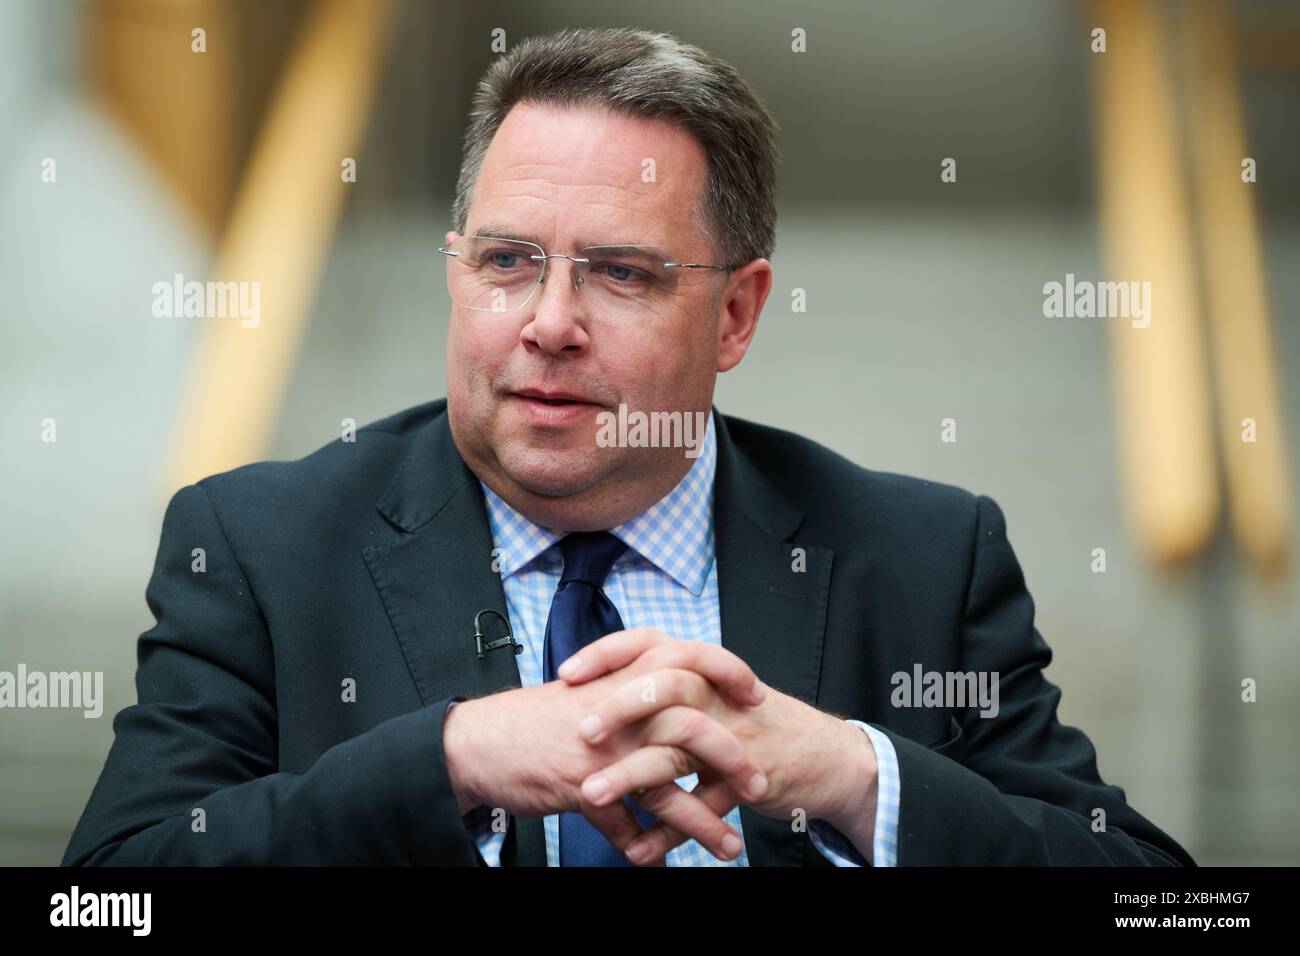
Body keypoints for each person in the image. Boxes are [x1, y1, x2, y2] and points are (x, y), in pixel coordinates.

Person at [63, 26, 1194, 867]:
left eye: (620, 272)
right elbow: (105, 895)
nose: (548, 321)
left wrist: (858, 777)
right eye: (507, 261)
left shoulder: (918, 555)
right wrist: (446, 761)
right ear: (456, 270)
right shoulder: (262, 545)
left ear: (737, 315)